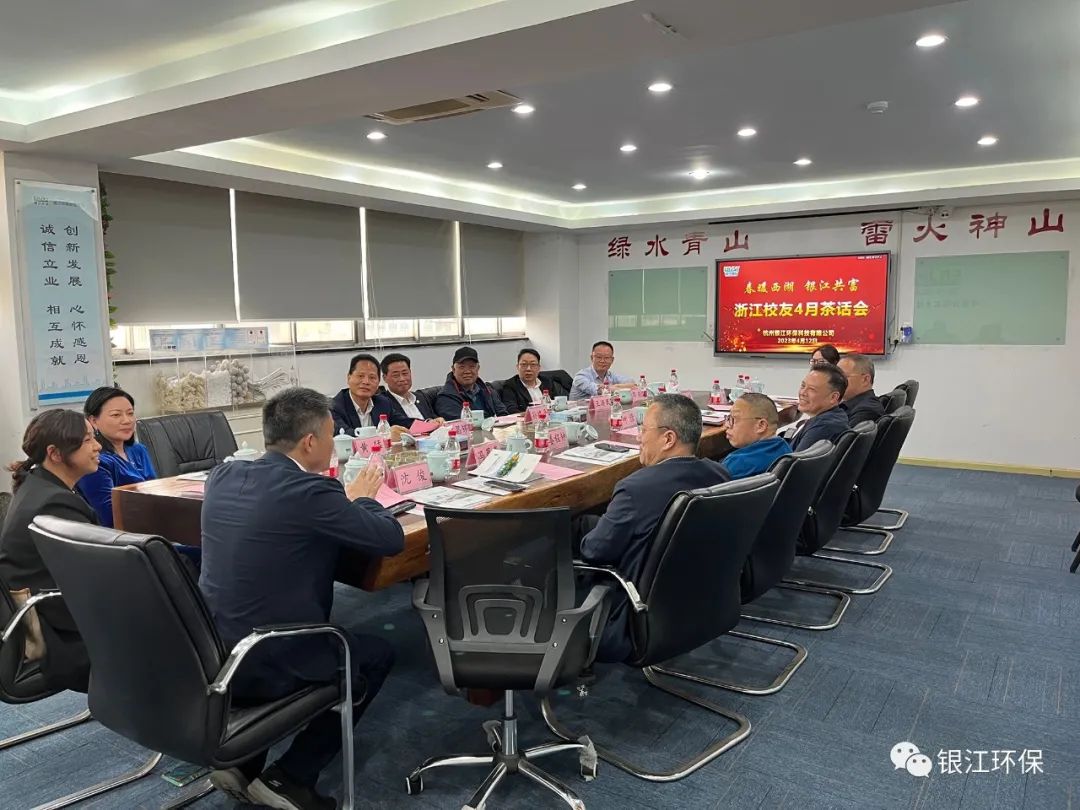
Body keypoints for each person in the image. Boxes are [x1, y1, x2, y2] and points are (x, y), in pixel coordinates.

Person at [200, 387, 404, 809]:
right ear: (310, 441)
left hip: (211, 648)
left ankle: (243, 763)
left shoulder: (222, 476)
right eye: (331, 437)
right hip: (272, 655)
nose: (333, 446)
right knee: (375, 655)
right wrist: (363, 498)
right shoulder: (312, 491)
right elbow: (389, 538)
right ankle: (291, 777)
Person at [579, 394, 729, 662]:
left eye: (644, 430)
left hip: (633, 615)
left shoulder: (636, 489)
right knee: (588, 523)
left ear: (668, 439)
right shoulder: (720, 475)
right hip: (699, 602)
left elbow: (594, 552)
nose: (639, 438)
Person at [0, 410, 101, 692]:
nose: (97, 446)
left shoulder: (37, 485)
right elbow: (96, 575)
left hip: (51, 614)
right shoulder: (54, 503)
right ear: (55, 453)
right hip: (60, 636)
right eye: (87, 440)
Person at [76, 386, 156, 528]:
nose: (127, 420)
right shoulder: (95, 461)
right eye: (116, 415)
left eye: (130, 413)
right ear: (93, 421)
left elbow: (157, 491)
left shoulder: (138, 450)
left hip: (156, 522)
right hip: (125, 534)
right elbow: (110, 517)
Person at [330, 353, 412, 435]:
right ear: (349, 378)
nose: (366, 382)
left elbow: (407, 423)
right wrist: (384, 434)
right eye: (360, 376)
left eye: (372, 377)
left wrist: (420, 425)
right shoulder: (334, 407)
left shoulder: (383, 403)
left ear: (378, 382)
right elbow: (344, 433)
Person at [720, 393, 791, 479]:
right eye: (728, 418)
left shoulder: (738, 463)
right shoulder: (785, 448)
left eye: (734, 419)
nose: (727, 425)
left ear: (761, 426)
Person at [786, 363, 850, 451]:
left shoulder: (824, 427)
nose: (803, 393)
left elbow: (792, 460)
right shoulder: (833, 416)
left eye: (812, 389)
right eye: (803, 386)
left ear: (833, 397)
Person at [433, 346, 509, 420]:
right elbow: (460, 422)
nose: (467, 371)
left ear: (478, 368)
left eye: (472, 366)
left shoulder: (488, 391)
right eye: (462, 367)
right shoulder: (446, 396)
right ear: (453, 369)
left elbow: (503, 415)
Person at [379, 352, 442, 424]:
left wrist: (438, 420)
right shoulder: (383, 403)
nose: (402, 379)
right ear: (384, 378)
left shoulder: (421, 397)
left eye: (405, 373)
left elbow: (433, 418)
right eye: (396, 375)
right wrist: (427, 423)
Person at [838, 353, 885, 427]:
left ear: (865, 380)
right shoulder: (849, 405)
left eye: (842, 377)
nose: (836, 382)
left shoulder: (866, 411)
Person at [499, 348, 547, 413]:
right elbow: (511, 409)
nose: (528, 369)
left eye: (533, 364)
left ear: (539, 368)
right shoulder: (510, 386)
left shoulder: (546, 382)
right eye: (524, 364)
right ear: (517, 367)